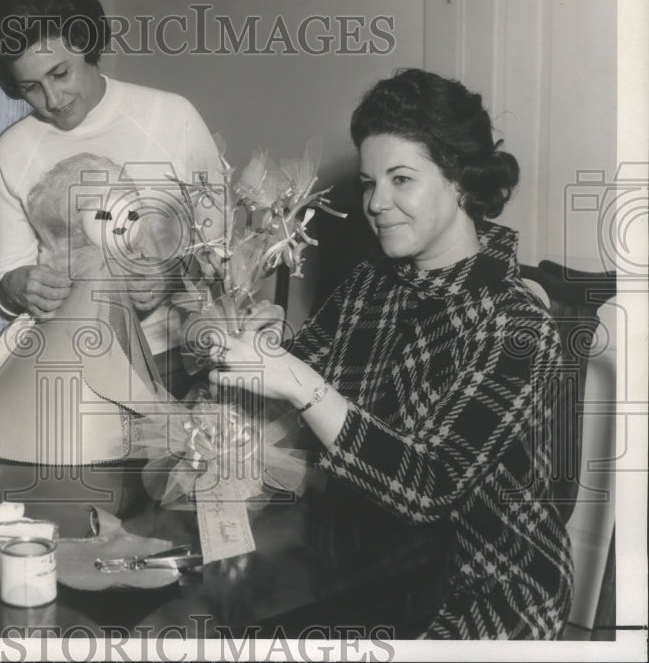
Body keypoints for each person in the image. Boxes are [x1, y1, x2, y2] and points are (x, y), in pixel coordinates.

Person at [210, 68, 573, 639]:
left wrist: (301, 383)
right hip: (362, 569)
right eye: (368, 182)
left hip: (482, 594)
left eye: (401, 179)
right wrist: (249, 344)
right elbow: (286, 391)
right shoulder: (367, 287)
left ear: (462, 180)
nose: (376, 203)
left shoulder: (516, 325)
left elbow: (427, 487)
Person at [0, 0, 224, 396]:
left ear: (86, 41)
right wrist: (19, 286)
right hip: (68, 362)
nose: (52, 99)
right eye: (29, 87)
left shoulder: (171, 116)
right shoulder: (10, 151)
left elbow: (222, 250)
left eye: (60, 73)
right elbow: (3, 278)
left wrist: (172, 273)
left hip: (179, 360)